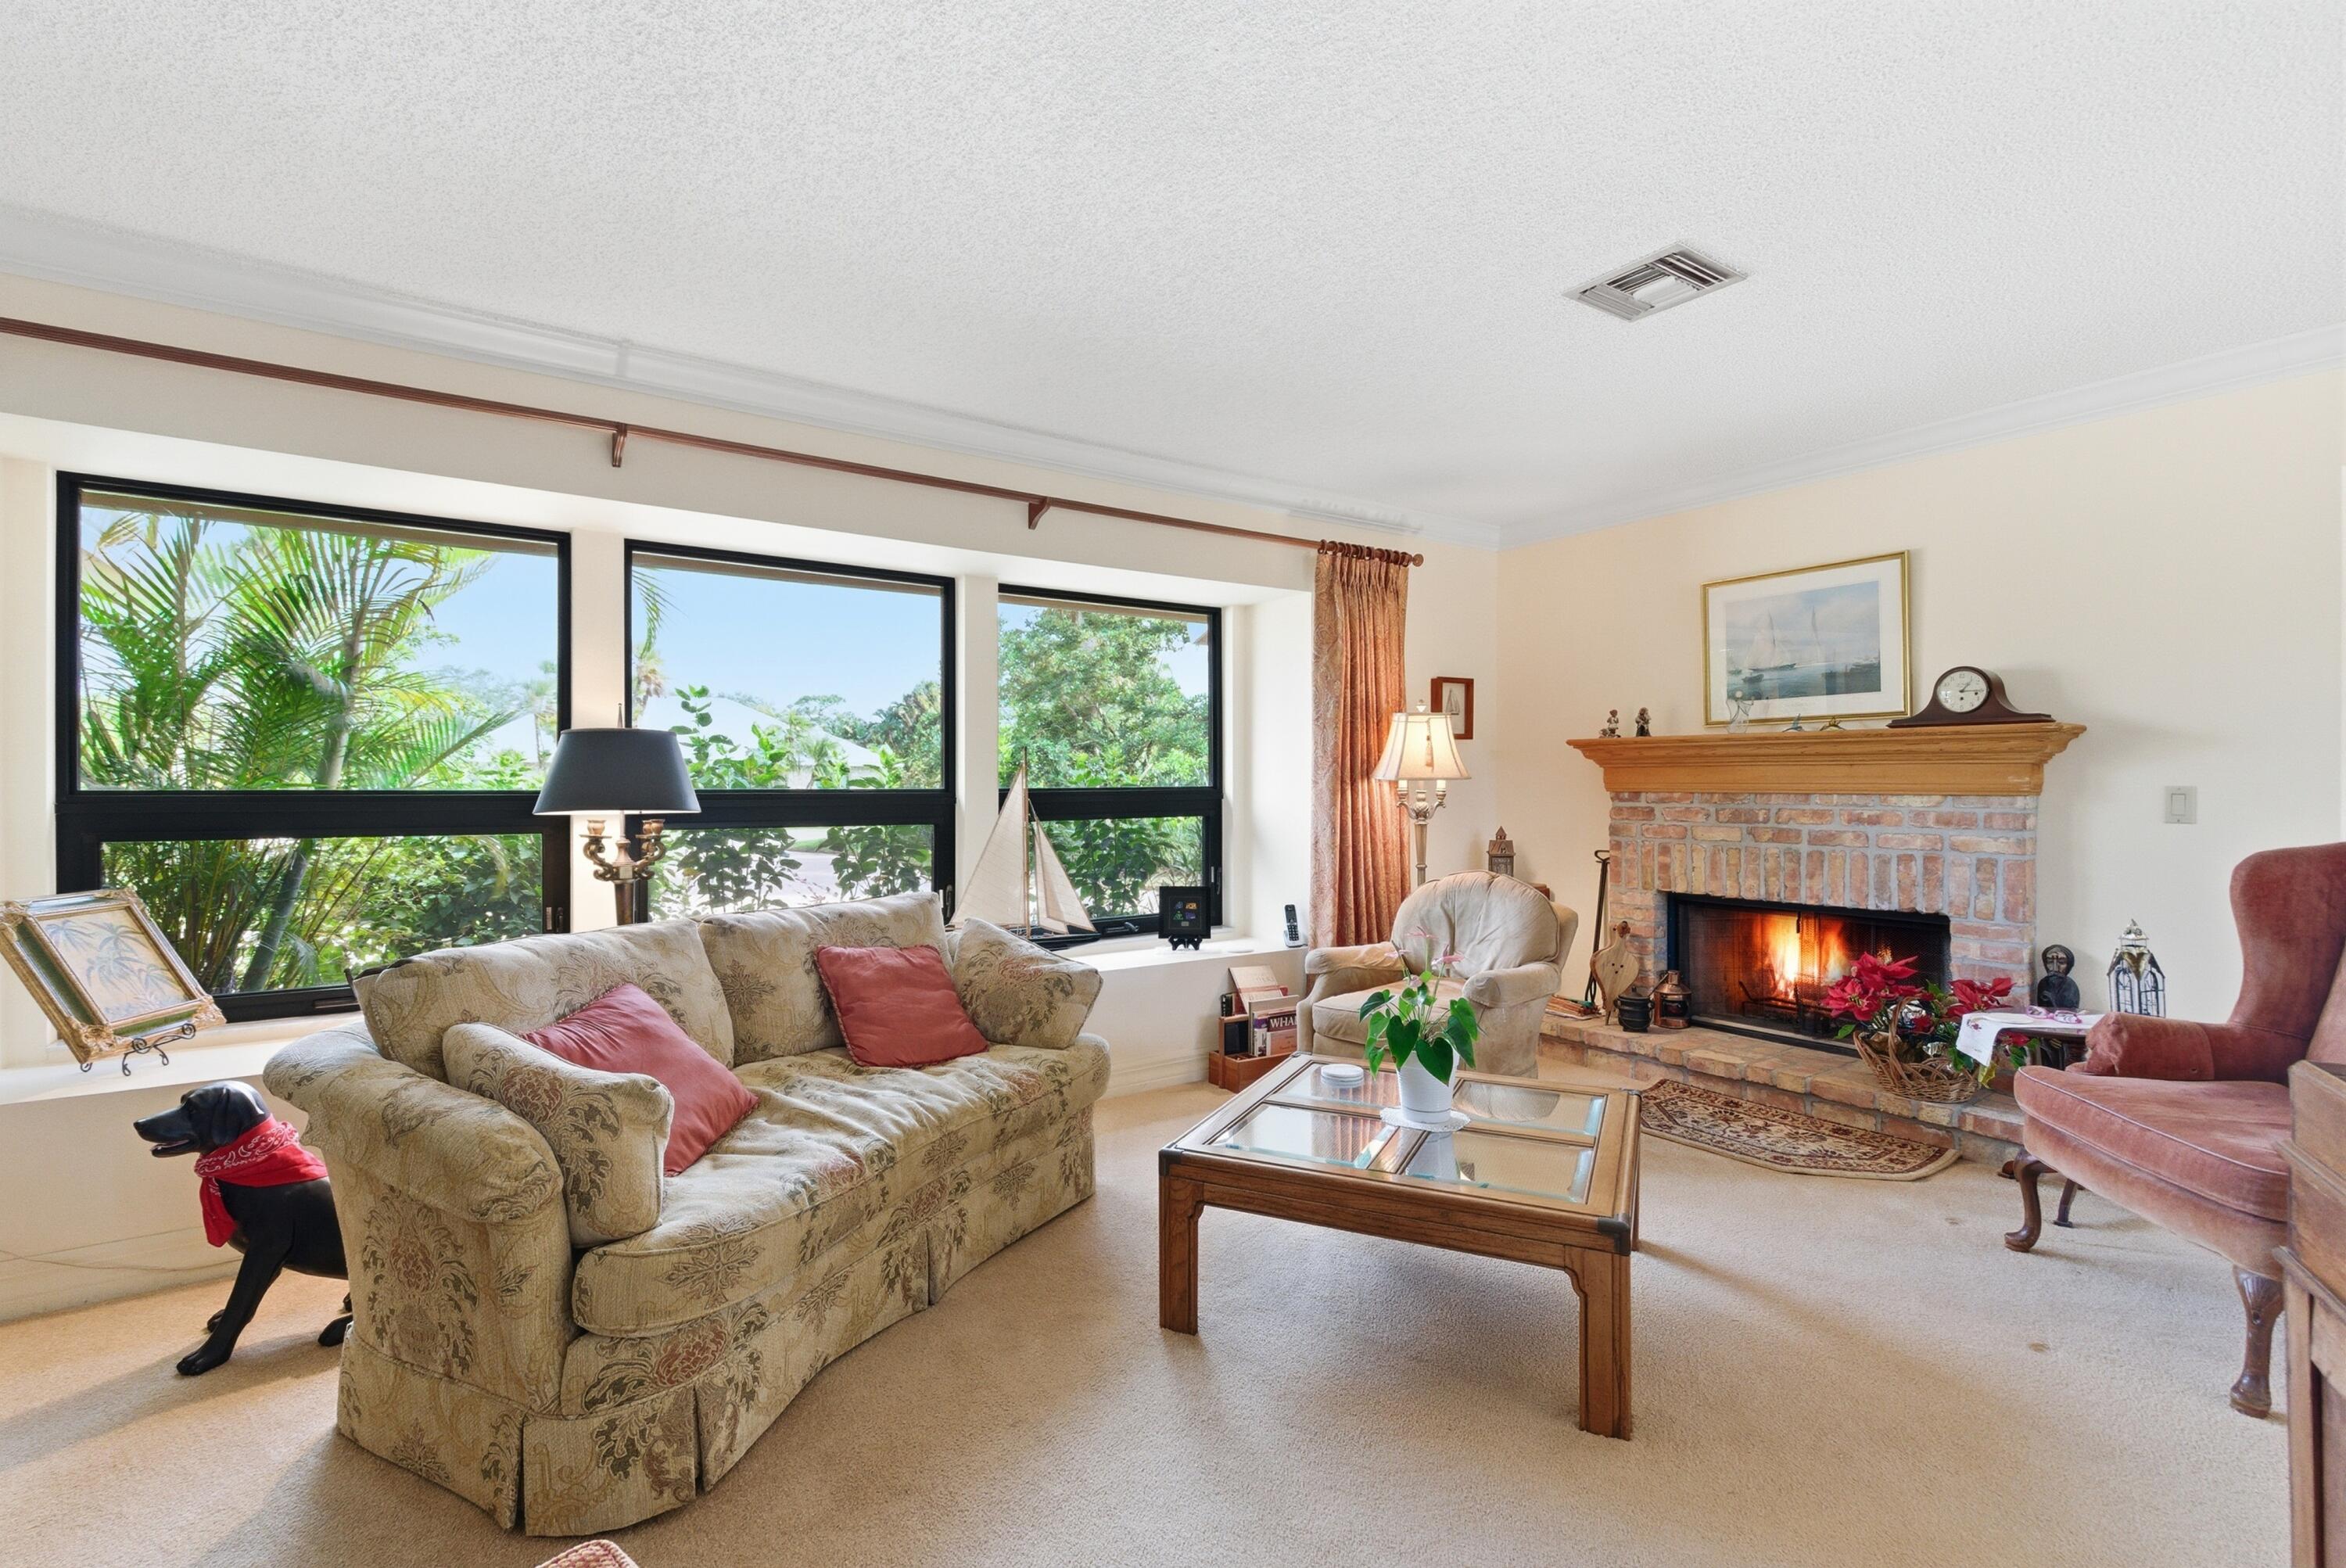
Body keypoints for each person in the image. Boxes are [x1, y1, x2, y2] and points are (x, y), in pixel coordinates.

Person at [2035, 944, 2081, 1010]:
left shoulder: (2070, 986)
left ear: (2069, 965)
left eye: (2061, 962)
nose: (2055, 968)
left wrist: (2051, 999)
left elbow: (2070, 1011)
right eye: (2050, 962)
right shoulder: (2043, 983)